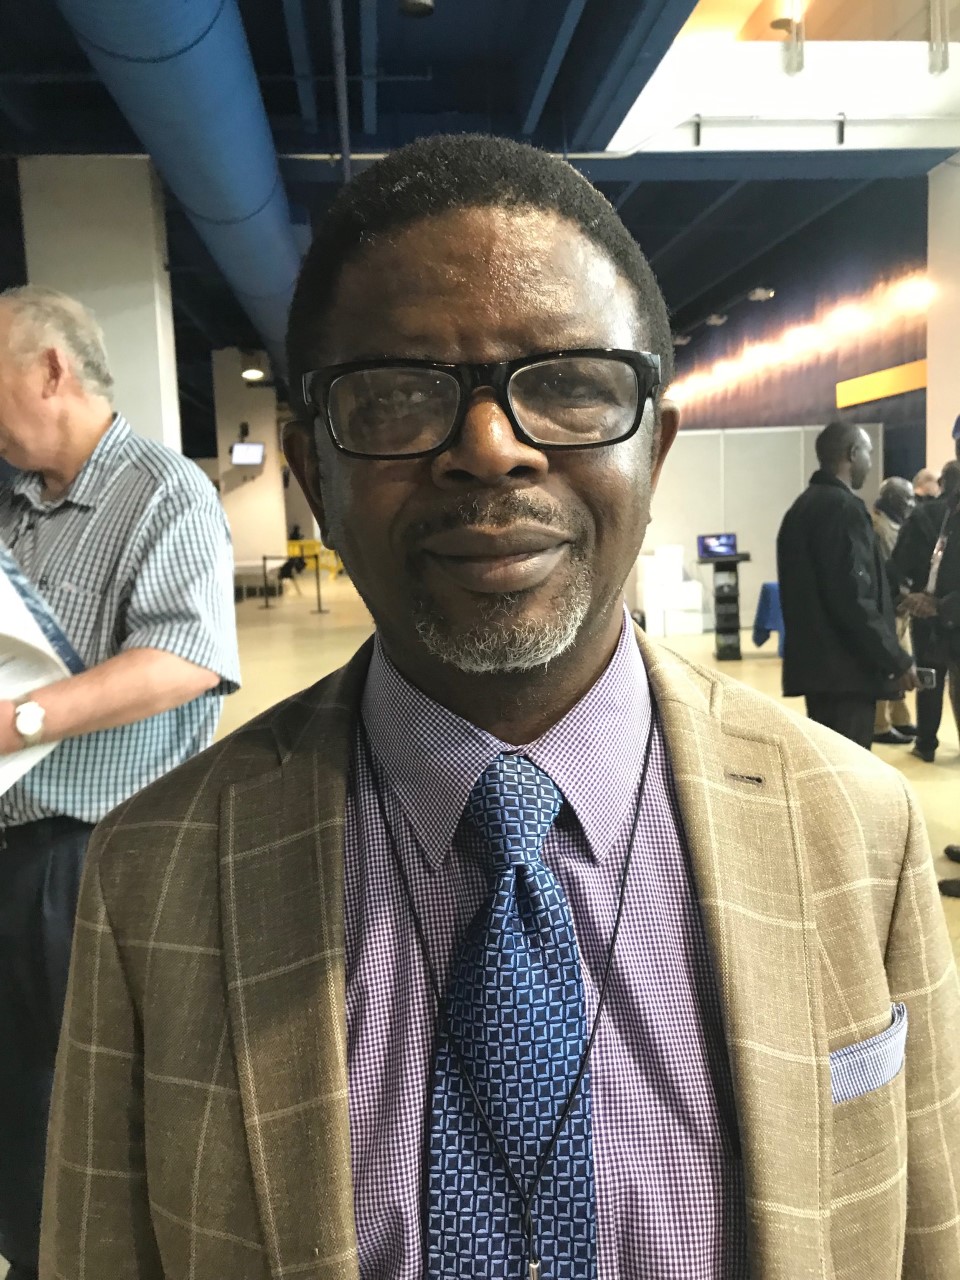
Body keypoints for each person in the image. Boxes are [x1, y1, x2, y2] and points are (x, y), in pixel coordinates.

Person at [41, 137, 959, 1280]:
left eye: (570, 384)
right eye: (397, 394)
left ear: (655, 446)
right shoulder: (152, 873)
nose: (490, 448)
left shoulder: (860, 833)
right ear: (314, 475)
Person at [0, 286, 241, 1280]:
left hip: (88, 856)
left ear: (51, 369)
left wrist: (19, 719)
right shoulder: (17, 503)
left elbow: (184, 655)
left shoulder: (164, 492)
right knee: (17, 1090)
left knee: (81, 1093)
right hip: (15, 855)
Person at [776, 421, 917, 749]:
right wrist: (896, 658)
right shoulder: (843, 509)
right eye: (867, 452)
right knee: (849, 774)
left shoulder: (801, 508)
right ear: (852, 454)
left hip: (822, 672)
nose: (869, 461)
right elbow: (853, 597)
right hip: (847, 676)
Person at [891, 458, 960, 765]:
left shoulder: (921, 516)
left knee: (929, 678)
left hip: (925, 612)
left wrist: (907, 598)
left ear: (942, 484)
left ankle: (926, 742)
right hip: (955, 614)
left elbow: (897, 566)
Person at [870, 476, 916, 743]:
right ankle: (879, 725)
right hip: (888, 605)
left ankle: (900, 718)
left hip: (900, 607)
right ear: (890, 499)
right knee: (888, 664)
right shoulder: (879, 526)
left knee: (904, 663)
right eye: (905, 498)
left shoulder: (896, 523)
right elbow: (885, 570)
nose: (910, 503)